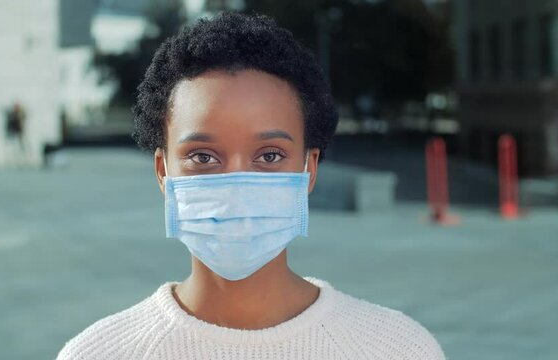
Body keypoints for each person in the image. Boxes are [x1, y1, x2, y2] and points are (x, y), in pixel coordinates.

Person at [57, 12, 446, 360]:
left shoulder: (398, 349)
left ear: (309, 169)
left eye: (270, 155)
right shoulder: (97, 353)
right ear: (163, 171)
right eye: (204, 157)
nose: (236, 184)